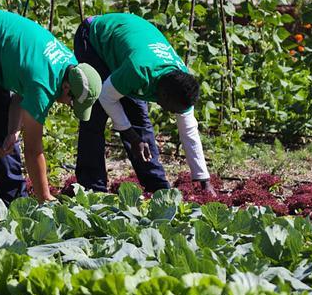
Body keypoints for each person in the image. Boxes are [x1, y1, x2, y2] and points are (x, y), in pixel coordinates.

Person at [0, 8, 101, 205]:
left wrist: (13, 130)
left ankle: (14, 201)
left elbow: (19, 95)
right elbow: (33, 151)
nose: (68, 105)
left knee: (5, 132)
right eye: (71, 102)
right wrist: (45, 197)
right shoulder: (44, 83)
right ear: (66, 87)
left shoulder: (70, 66)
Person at [72, 12, 214, 195]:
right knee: (95, 115)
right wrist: (131, 136)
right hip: (94, 38)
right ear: (162, 95)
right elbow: (106, 96)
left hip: (129, 47)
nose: (172, 113)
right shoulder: (139, 71)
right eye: (171, 109)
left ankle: (157, 188)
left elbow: (188, 129)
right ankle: (93, 188)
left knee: (140, 120)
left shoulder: (182, 83)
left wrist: (203, 180)